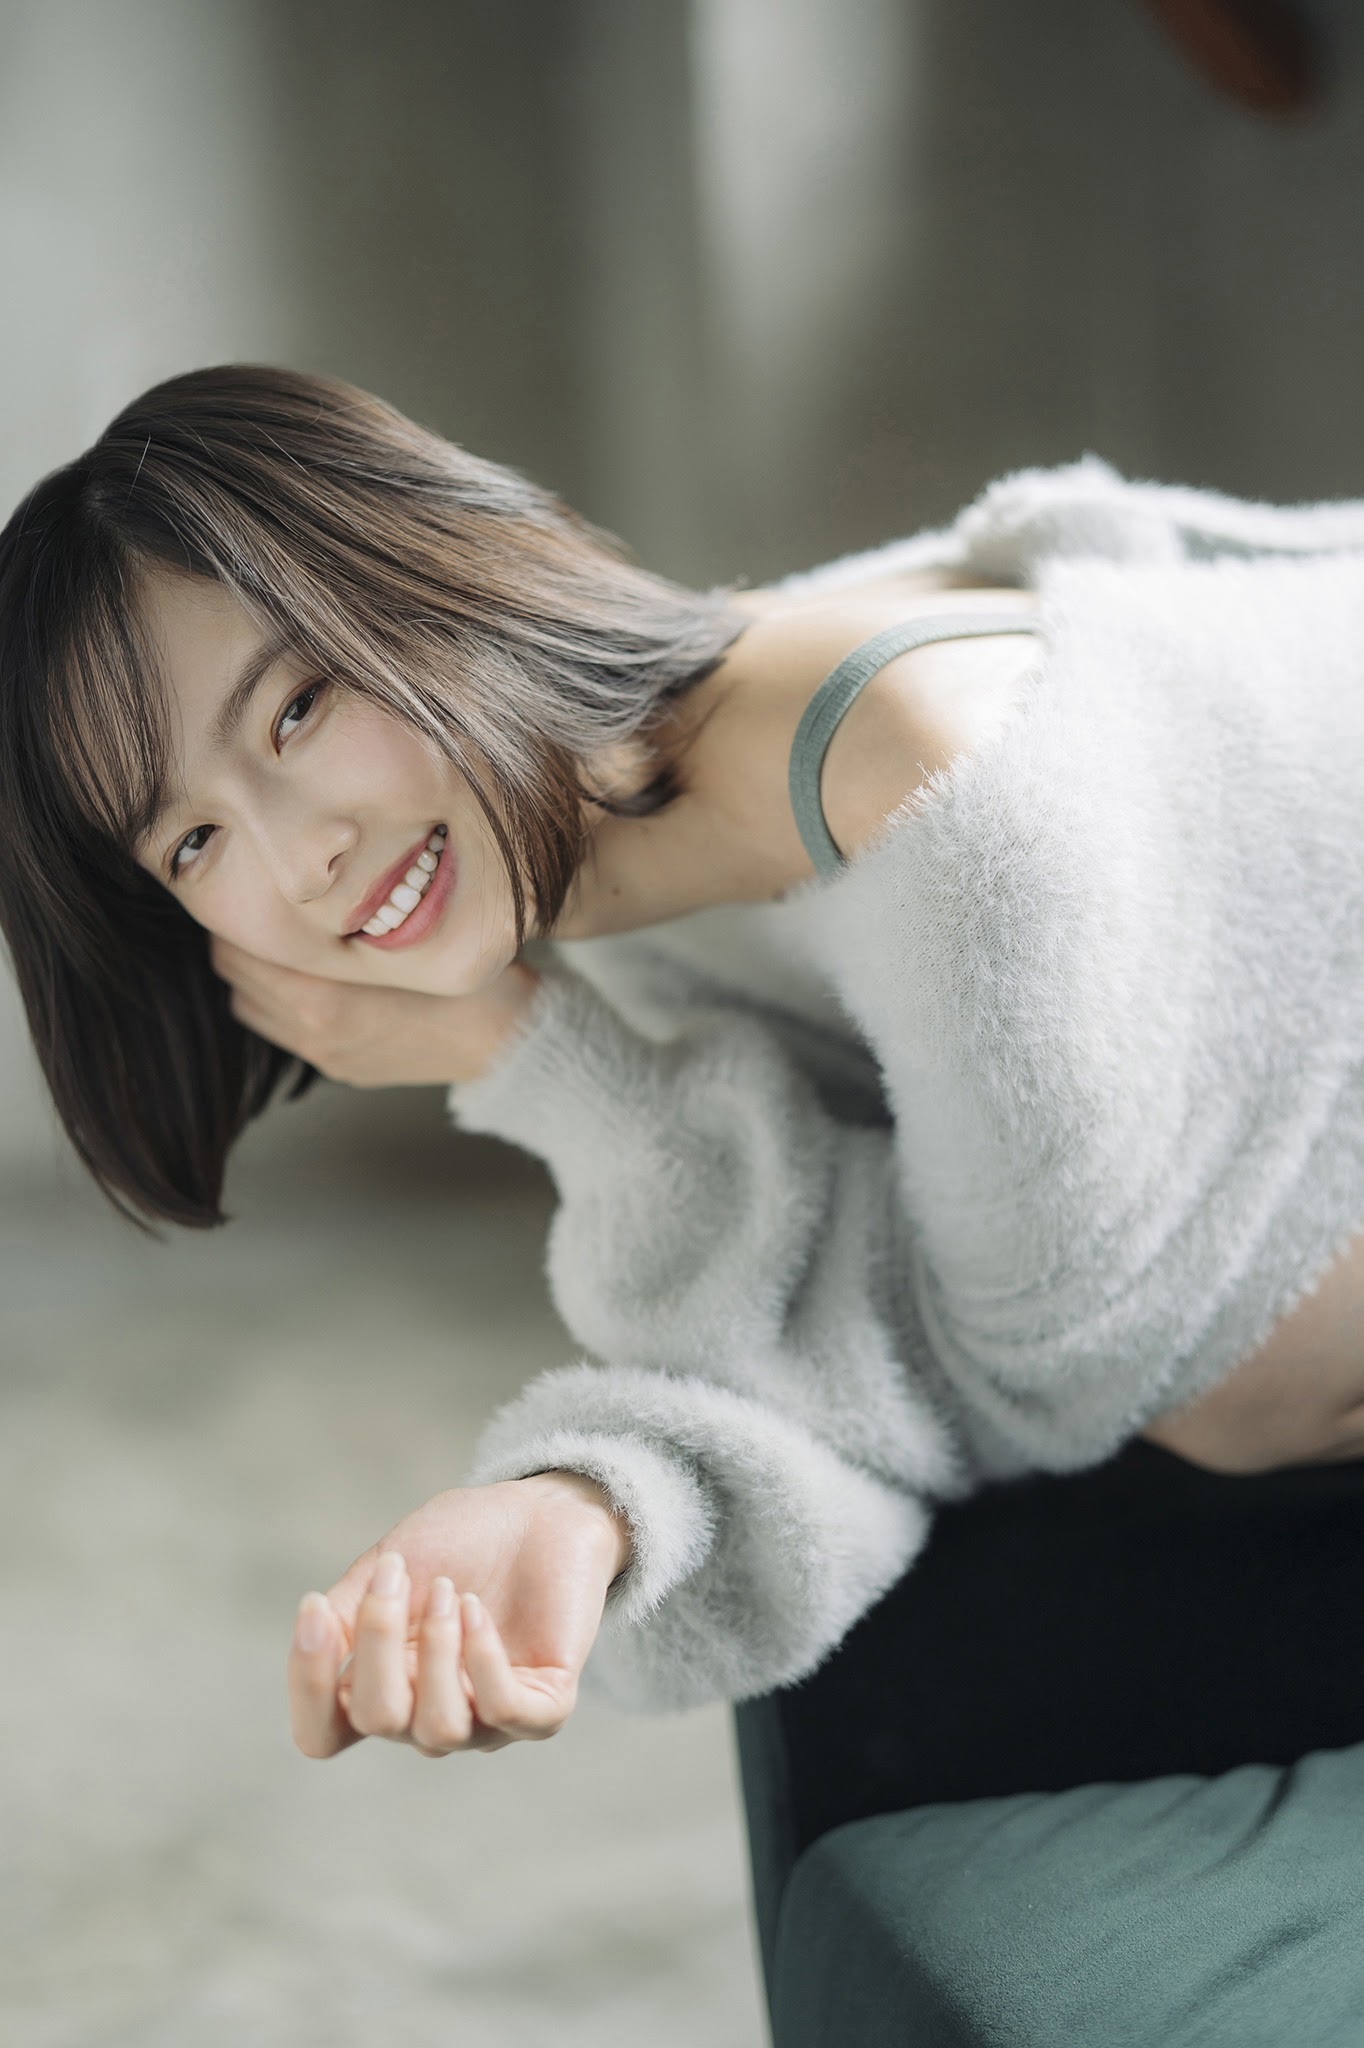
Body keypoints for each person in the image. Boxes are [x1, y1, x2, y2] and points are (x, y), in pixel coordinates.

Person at [3, 363, 1364, 1770]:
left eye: (293, 713)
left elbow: (1044, 1377)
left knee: (1214, 1417)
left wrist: (539, 1059)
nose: (301, 861)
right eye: (193, 842)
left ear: (426, 572)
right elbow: (847, 1300)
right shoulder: (608, 836)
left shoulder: (924, 786)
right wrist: (586, 1506)